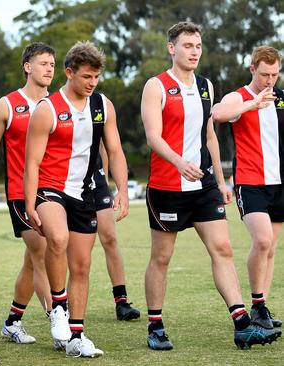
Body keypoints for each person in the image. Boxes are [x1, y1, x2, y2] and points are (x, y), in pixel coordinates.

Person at [141, 21, 281, 350]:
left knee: (223, 249)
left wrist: (219, 180)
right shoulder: (156, 86)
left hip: (203, 186)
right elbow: (153, 136)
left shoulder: (206, 86)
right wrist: (178, 162)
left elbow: (209, 136)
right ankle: (155, 326)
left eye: (198, 46)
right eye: (187, 45)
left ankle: (242, 323)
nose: (194, 51)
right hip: (167, 186)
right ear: (171, 48)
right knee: (161, 257)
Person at [24, 41, 129, 358]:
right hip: (50, 188)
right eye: (86, 76)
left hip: (86, 191)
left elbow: (115, 151)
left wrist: (121, 189)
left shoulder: (102, 106)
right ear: (69, 73)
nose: (92, 83)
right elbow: (32, 163)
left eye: (96, 77)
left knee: (82, 265)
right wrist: (29, 204)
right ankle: (58, 306)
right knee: (57, 238)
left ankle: (77, 335)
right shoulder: (48, 109)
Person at [0, 42, 56, 345]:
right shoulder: (7, 105)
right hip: (22, 194)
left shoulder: (59, 104)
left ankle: (13, 321)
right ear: (27, 66)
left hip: (57, 193)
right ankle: (59, 320)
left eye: (52, 64)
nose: (49, 69)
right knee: (42, 255)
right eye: (43, 63)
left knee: (32, 261)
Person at [211, 45, 284, 330]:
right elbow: (218, 114)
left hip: (279, 183)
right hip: (250, 182)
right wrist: (253, 103)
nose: (269, 81)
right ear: (252, 69)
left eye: (275, 74)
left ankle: (262, 308)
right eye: (265, 74)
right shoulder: (238, 97)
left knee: (272, 247)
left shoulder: (280, 98)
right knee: (263, 240)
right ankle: (257, 304)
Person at [92, 148, 141, 320]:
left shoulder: (102, 119)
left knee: (110, 238)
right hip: (68, 179)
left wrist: (104, 180)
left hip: (96, 179)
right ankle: (61, 302)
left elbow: (105, 147)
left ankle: (121, 301)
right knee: (72, 244)